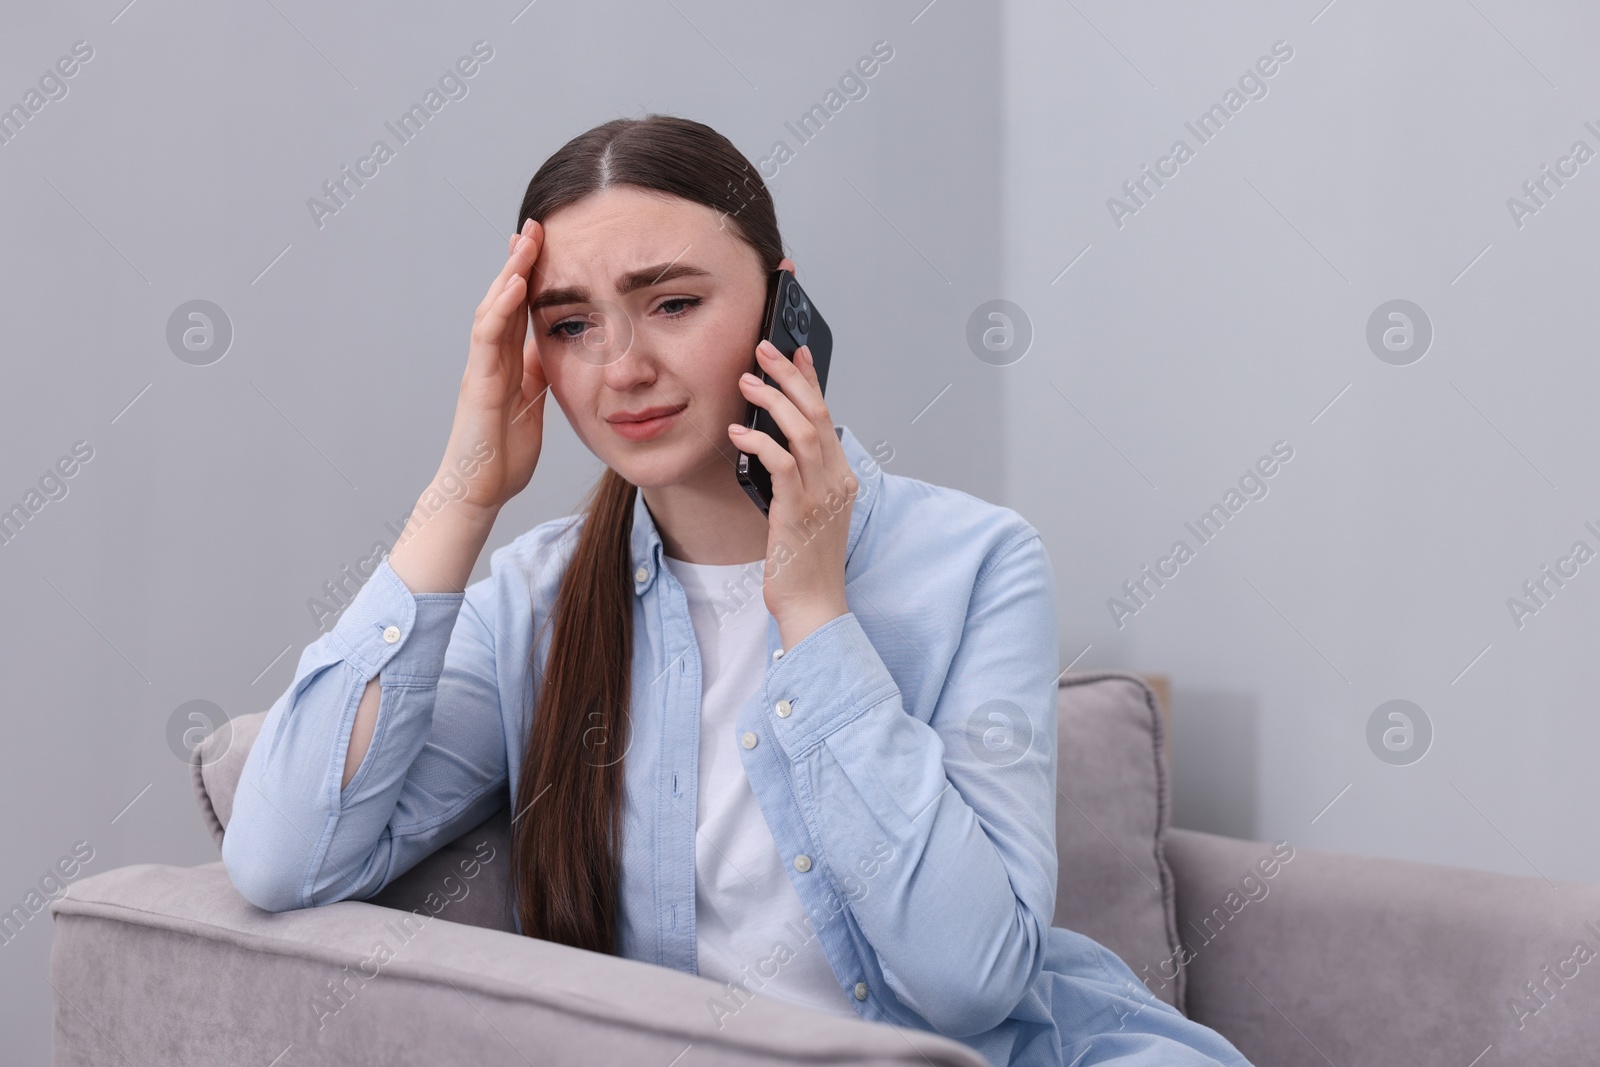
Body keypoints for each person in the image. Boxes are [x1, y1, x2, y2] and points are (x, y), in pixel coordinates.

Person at [223, 114, 1254, 1067]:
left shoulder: (978, 560)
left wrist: (812, 614)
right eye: (571, 323)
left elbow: (968, 980)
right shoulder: (532, 604)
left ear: (783, 299)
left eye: (672, 303)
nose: (621, 366)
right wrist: (465, 488)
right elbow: (280, 857)